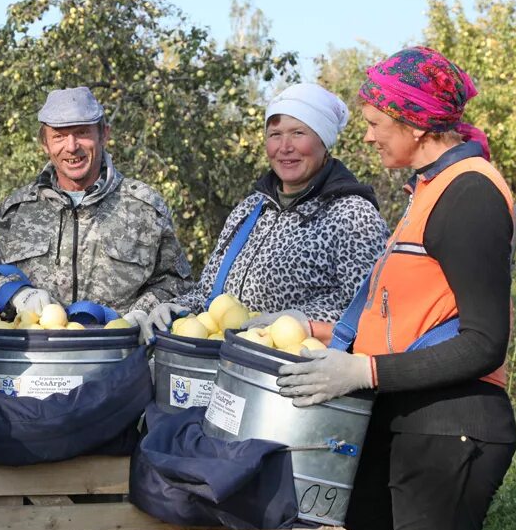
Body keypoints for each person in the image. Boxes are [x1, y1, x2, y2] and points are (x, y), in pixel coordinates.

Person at [277, 47, 516, 530]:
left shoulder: (469, 194)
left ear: (416, 124)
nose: (367, 135)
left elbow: (483, 342)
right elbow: (406, 323)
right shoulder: (428, 192)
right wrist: (311, 330)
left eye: (376, 123)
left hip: (451, 426)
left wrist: (362, 371)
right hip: (405, 417)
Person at [146, 83, 389, 341]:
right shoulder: (251, 209)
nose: (284, 147)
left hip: (296, 372)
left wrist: (301, 321)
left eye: (298, 133)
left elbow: (374, 315)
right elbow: (208, 292)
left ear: (324, 140)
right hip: (229, 367)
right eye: (275, 134)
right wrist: (176, 309)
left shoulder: (353, 216)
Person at [0, 87, 192, 332]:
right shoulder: (16, 211)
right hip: (35, 359)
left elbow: (177, 282)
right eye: (59, 136)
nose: (71, 147)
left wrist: (143, 311)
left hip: (119, 357)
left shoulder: (144, 207)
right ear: (44, 143)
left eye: (82, 133)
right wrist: (15, 293)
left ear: (104, 135)